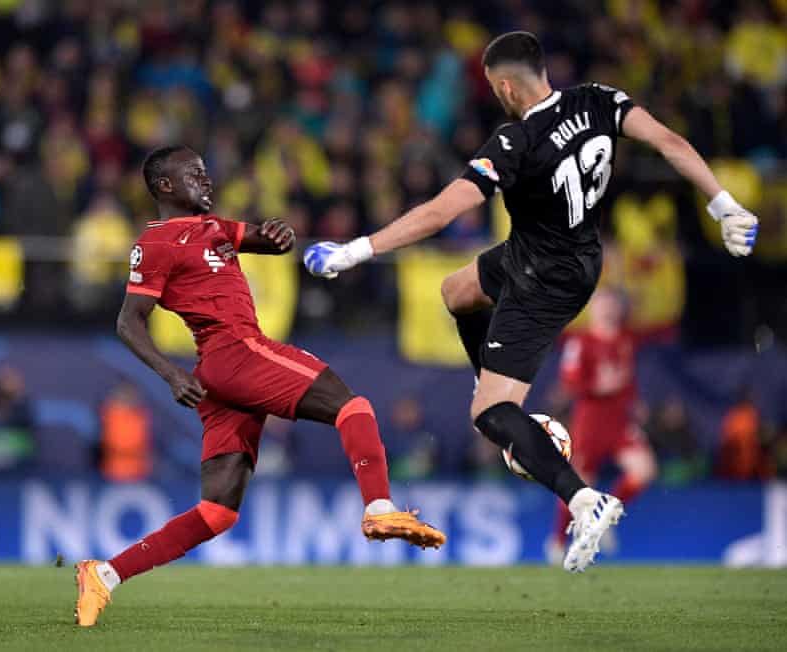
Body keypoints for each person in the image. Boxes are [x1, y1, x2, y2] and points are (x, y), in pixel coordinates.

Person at [304, 31, 759, 572]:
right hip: (564, 252)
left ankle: (584, 501)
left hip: (546, 278)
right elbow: (671, 143)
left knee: (491, 414)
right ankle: (493, 389)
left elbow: (441, 213)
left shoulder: (514, 142)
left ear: (504, 86)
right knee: (457, 290)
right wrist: (723, 204)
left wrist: (357, 250)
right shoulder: (599, 99)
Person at [74, 145, 445, 627]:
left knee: (217, 511)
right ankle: (379, 506)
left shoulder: (215, 228)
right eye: (194, 174)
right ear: (165, 186)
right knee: (352, 406)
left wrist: (278, 236)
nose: (206, 181)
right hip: (235, 352)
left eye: (206, 173)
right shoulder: (158, 243)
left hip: (222, 374)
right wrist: (171, 374)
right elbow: (129, 322)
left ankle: (104, 573)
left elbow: (266, 241)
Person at [547, 287, 657, 564]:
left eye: (611, 304)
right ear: (592, 309)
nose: (607, 309)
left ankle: (603, 516)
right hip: (591, 423)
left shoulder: (625, 340)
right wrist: (597, 385)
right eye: (601, 304)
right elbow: (569, 383)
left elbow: (627, 380)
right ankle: (558, 541)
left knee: (645, 469)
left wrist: (636, 402)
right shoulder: (580, 341)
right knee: (580, 486)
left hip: (619, 421)